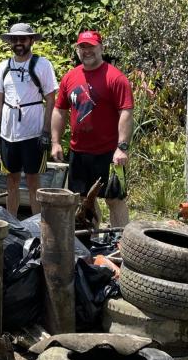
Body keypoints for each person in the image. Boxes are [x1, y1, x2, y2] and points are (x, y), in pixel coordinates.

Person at [51, 30, 133, 227]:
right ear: (78, 50)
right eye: (83, 47)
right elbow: (59, 110)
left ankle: (120, 243)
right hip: (78, 151)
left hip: (108, 152)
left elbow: (126, 112)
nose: (87, 51)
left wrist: (122, 147)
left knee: (114, 198)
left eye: (91, 47)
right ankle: (92, 242)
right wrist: (55, 142)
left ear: (101, 48)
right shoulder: (70, 77)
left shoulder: (115, 78)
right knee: (83, 199)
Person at [0, 23, 58, 216]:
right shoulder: (4, 67)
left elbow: (51, 100)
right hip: (9, 134)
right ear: (10, 42)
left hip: (33, 133)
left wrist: (46, 132)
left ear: (31, 41)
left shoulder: (42, 65)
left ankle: (37, 223)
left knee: (33, 180)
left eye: (23, 39)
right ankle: (11, 222)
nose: (19, 43)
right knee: (11, 180)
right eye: (15, 39)